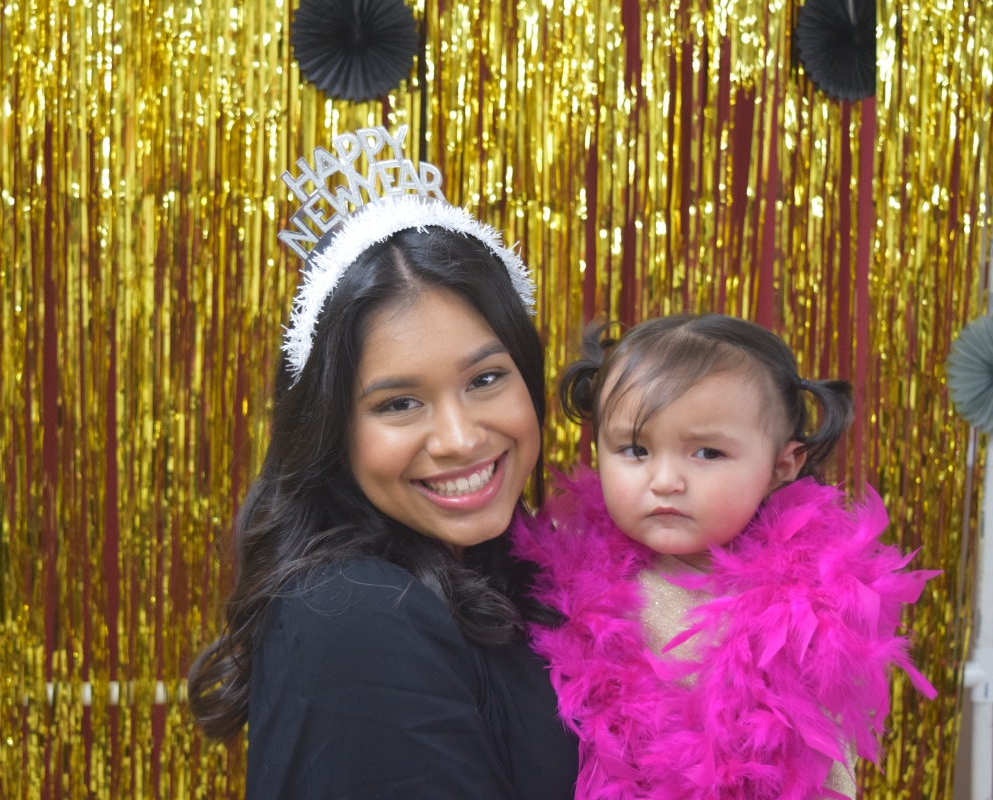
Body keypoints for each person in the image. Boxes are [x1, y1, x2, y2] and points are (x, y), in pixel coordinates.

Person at [187, 126, 578, 800]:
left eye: (486, 379)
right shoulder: (356, 614)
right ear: (333, 430)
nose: (459, 438)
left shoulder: (521, 572)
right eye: (399, 403)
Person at [512, 314, 938, 800]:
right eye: (635, 449)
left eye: (708, 453)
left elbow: (821, 763)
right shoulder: (561, 576)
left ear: (781, 466)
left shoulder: (809, 607)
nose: (665, 481)